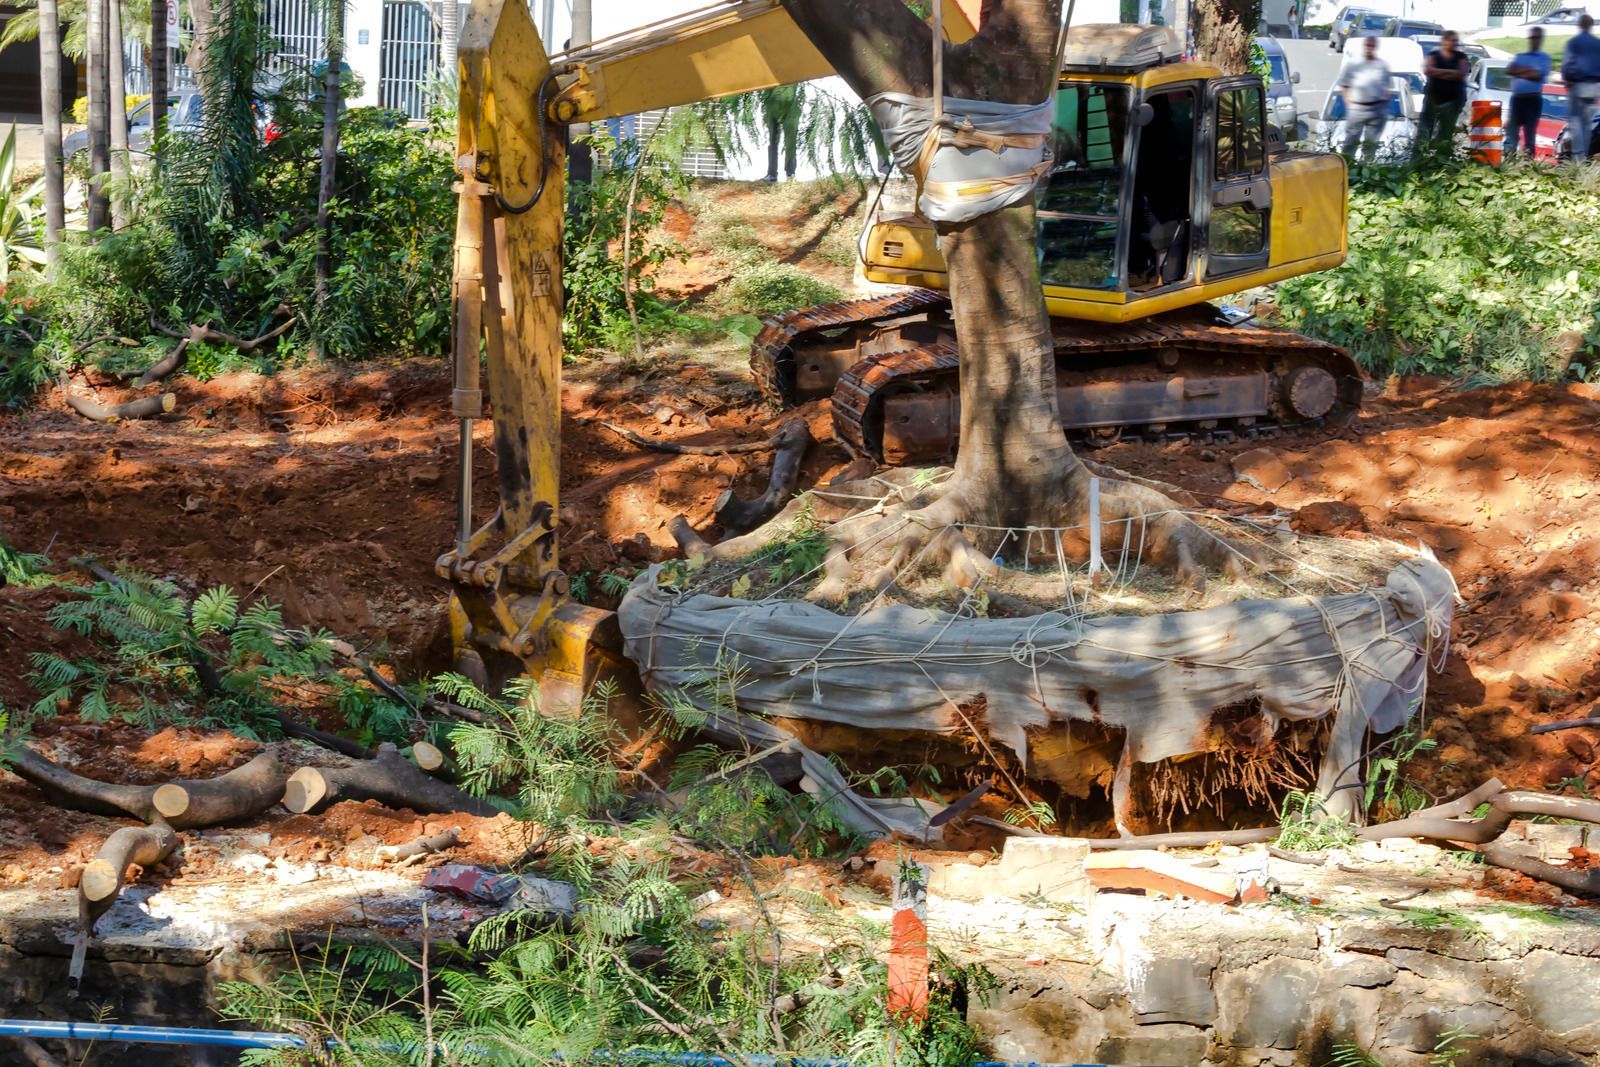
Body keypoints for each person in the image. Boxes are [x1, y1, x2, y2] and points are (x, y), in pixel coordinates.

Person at [1333, 36, 1394, 161]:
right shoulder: (1353, 64)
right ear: (1364, 46)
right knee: (1351, 142)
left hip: (1376, 109)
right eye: (1367, 45)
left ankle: (1367, 170)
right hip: (1358, 107)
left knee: (1370, 145)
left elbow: (1388, 87)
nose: (1369, 48)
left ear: (1375, 48)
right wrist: (1349, 102)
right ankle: (1348, 168)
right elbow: (1344, 84)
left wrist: (1384, 106)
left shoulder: (1381, 65)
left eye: (1372, 46)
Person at [1417, 30, 1470, 150]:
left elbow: (1461, 74)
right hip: (1432, 99)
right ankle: (1418, 160)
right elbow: (1428, 70)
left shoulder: (1460, 57)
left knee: (1446, 134)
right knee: (1424, 131)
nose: (1454, 43)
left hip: (1452, 101)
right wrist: (1451, 73)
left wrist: (1438, 72)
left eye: (1456, 41)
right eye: (1451, 40)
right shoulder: (1434, 55)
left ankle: (1442, 162)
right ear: (1444, 41)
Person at [1505, 27, 1552, 158]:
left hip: (1532, 99)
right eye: (1532, 37)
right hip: (1517, 99)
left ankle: (1527, 164)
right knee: (1512, 132)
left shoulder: (1544, 58)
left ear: (1541, 39)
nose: (1534, 40)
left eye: (1537, 38)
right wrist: (1528, 71)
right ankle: (1509, 161)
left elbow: (1537, 75)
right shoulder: (1520, 56)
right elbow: (1509, 70)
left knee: (1529, 134)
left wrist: (1519, 71)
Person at [1562, 14, 1600, 162]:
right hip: (1594, 86)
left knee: (1576, 122)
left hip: (1578, 84)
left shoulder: (1574, 43)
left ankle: (1578, 157)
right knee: (1587, 123)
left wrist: (1568, 80)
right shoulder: (1597, 44)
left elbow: (1568, 64)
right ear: (1591, 25)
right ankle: (1585, 155)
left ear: (1579, 25)